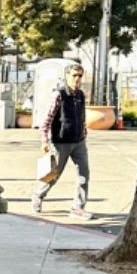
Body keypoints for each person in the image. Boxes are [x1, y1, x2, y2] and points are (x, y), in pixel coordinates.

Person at [34, 63, 92, 219]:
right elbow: (47, 120)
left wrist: (84, 131)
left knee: (84, 174)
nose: (77, 79)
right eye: (74, 75)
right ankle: (38, 195)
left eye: (80, 76)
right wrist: (44, 140)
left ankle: (78, 207)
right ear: (67, 76)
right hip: (61, 142)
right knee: (54, 175)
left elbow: (82, 116)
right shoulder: (59, 95)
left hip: (79, 142)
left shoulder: (80, 95)